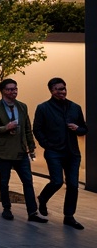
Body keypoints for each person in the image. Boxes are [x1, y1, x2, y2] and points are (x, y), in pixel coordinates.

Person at [0, 78, 45, 222]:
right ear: (3, 91)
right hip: (4, 151)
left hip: (21, 151)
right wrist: (6, 127)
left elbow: (27, 128)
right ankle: (6, 209)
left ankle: (32, 212)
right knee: (4, 182)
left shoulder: (22, 106)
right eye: (10, 89)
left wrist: (31, 146)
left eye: (15, 89)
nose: (13, 92)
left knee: (27, 181)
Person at [33, 77, 86, 228]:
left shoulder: (75, 107)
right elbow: (37, 129)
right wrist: (47, 145)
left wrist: (78, 129)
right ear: (51, 90)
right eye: (57, 89)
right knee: (57, 181)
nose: (61, 92)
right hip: (54, 152)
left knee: (73, 185)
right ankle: (43, 199)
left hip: (72, 153)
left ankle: (69, 216)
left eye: (63, 88)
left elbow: (84, 128)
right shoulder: (43, 108)